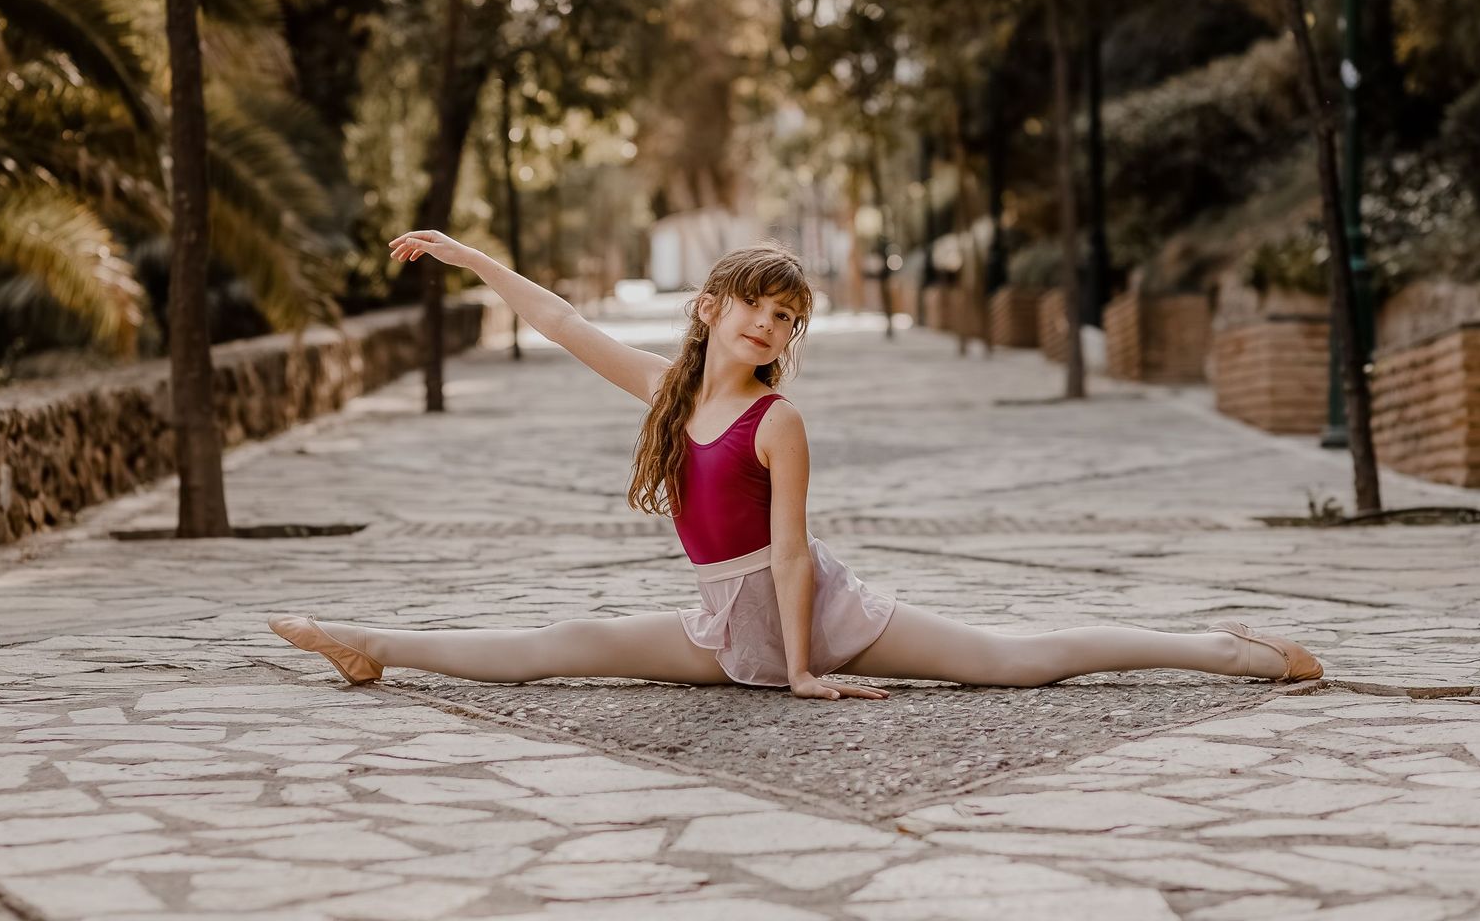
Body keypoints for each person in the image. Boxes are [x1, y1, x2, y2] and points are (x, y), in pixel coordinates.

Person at [270, 233, 1321, 701]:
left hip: (815, 612)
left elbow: (789, 554)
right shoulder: (669, 389)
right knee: (564, 645)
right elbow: (562, 320)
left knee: (1011, 659)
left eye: (785, 319)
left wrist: (808, 665)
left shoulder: (778, 421)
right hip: (723, 619)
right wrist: (463, 256)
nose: (768, 327)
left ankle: (1226, 651)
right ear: (709, 308)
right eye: (756, 308)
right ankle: (368, 644)